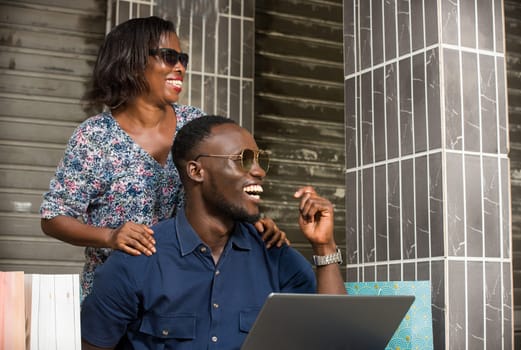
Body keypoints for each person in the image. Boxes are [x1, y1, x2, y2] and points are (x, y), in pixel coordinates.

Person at [39, 16, 287, 300]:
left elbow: (223, 189)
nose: (180, 67)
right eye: (169, 57)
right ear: (132, 60)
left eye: (182, 58)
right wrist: (109, 236)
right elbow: (53, 217)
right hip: (114, 301)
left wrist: (254, 223)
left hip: (184, 297)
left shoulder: (195, 125)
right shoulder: (94, 137)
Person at [81, 115, 346, 350]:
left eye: (259, 160)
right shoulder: (136, 261)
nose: (259, 171)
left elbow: (334, 339)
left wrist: (324, 246)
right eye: (243, 160)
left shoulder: (275, 256)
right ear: (197, 171)